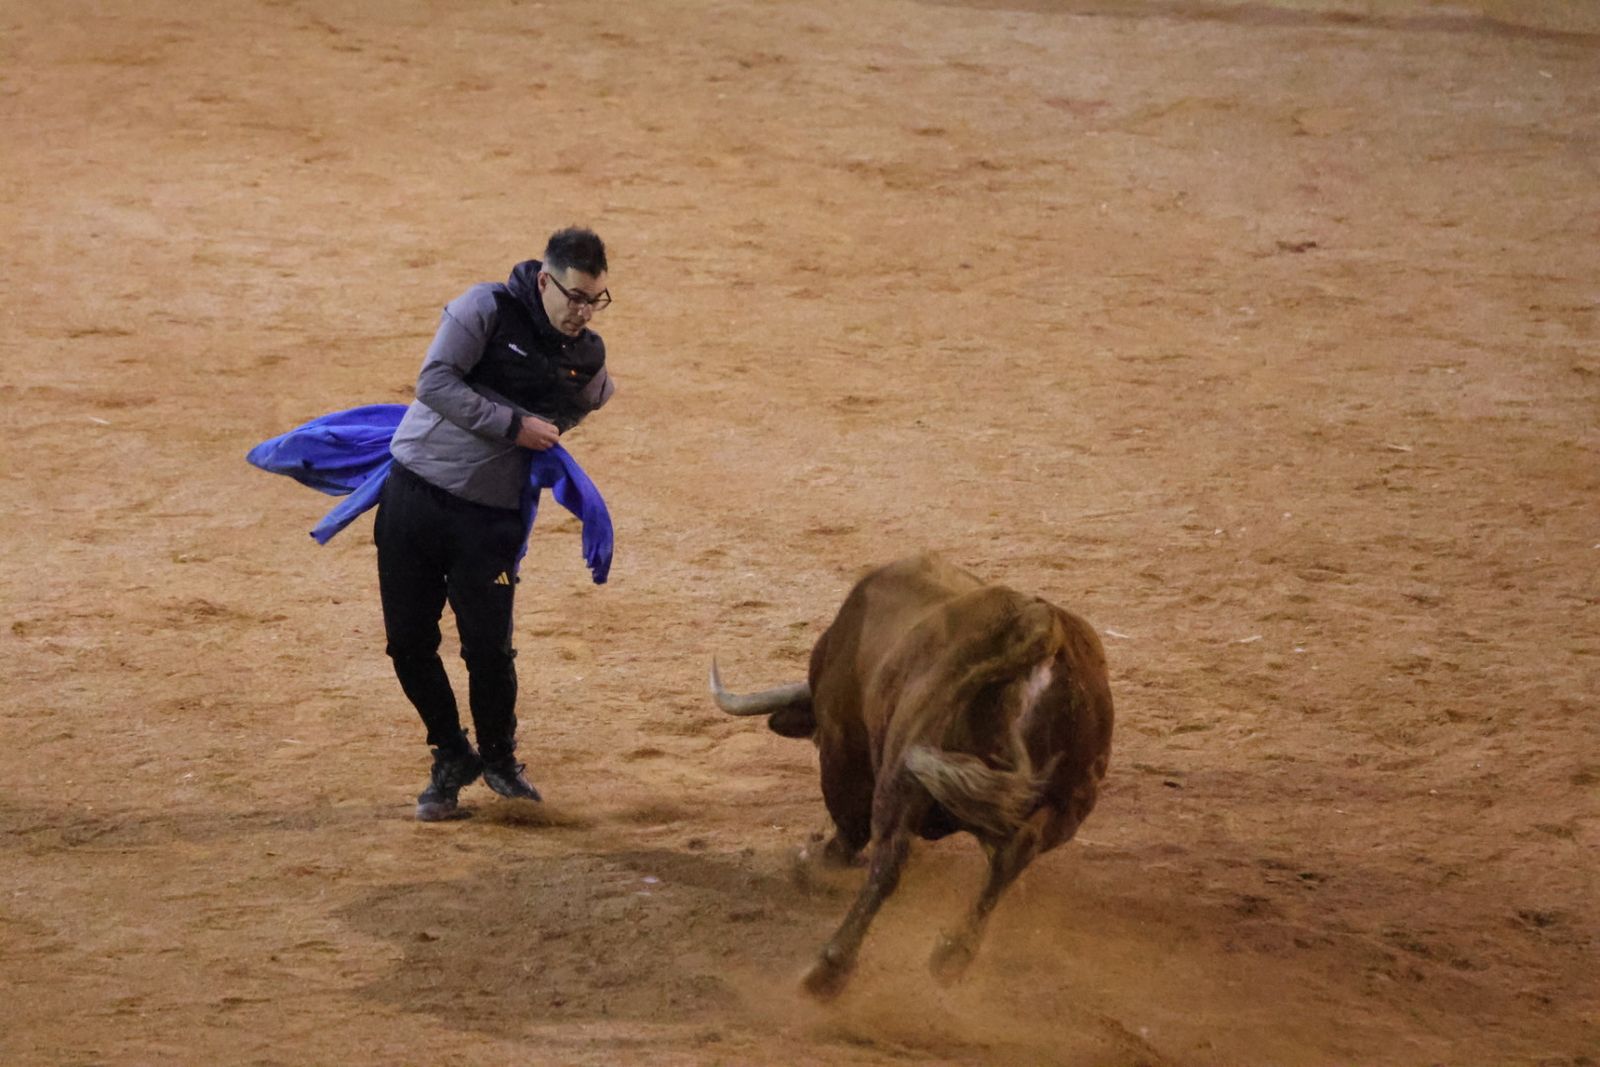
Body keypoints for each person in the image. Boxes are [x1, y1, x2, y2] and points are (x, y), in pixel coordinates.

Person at [377, 227, 617, 821]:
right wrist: (514, 426)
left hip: (490, 520)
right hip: (413, 497)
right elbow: (434, 382)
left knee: (488, 650)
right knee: (408, 643)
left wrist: (544, 427)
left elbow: (591, 399)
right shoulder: (483, 308)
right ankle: (450, 754)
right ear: (545, 281)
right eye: (575, 297)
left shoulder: (587, 357)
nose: (583, 312)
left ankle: (501, 761)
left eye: (596, 300)